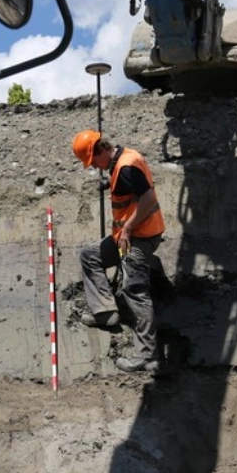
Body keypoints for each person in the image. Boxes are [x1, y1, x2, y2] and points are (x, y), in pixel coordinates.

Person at [72, 129, 165, 373]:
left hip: (139, 237)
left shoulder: (125, 167)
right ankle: (105, 312)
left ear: (101, 150)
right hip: (131, 235)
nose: (95, 167)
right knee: (90, 255)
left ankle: (148, 357)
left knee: (134, 291)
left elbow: (148, 200)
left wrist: (127, 229)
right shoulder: (123, 160)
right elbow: (130, 189)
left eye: (94, 162)